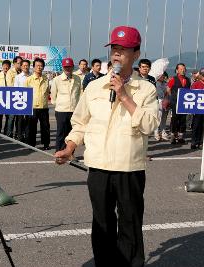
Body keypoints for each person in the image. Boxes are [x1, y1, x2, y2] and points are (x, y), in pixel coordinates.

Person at [55, 26, 158, 267]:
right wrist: (69, 148)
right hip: (98, 166)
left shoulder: (146, 89)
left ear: (136, 53)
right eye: (114, 49)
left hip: (129, 167)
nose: (116, 54)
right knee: (101, 223)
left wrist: (124, 96)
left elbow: (150, 125)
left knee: (130, 222)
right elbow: (80, 123)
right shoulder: (93, 87)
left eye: (123, 50)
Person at [50, 57, 82, 153]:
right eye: (66, 67)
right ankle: (58, 151)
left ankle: (70, 153)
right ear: (63, 67)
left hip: (73, 110)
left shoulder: (77, 79)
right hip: (61, 110)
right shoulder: (57, 79)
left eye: (69, 67)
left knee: (71, 134)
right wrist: (59, 104)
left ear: (73, 67)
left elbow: (79, 94)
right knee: (60, 133)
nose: (67, 69)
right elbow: (53, 95)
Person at [24, 58, 50, 150]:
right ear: (34, 67)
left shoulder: (46, 79)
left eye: (41, 66)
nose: (39, 67)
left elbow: (48, 92)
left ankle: (46, 144)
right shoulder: (28, 80)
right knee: (31, 127)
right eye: (37, 66)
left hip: (44, 107)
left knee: (45, 127)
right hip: (32, 107)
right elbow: (25, 94)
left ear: (43, 67)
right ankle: (31, 144)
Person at [166, 63, 191, 144]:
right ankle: (173, 136)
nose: (183, 70)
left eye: (184, 69)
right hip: (175, 102)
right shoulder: (173, 79)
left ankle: (181, 137)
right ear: (177, 70)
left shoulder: (188, 79)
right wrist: (172, 97)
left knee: (183, 120)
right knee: (174, 119)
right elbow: (168, 89)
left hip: (184, 103)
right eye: (180, 69)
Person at [0, 60, 14, 134]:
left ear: (9, 67)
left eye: (7, 66)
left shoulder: (13, 75)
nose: (6, 67)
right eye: (4, 65)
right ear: (2, 66)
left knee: (9, 116)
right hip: (0, 97)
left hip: (10, 98)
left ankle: (7, 132)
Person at [14, 59, 31, 141]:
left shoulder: (32, 76)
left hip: (30, 100)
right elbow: (15, 89)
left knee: (28, 120)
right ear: (21, 67)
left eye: (27, 65)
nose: (25, 67)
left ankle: (27, 136)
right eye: (24, 65)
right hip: (20, 100)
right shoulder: (18, 77)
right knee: (20, 119)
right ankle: (20, 136)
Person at [190, 68, 204, 149]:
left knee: (202, 126)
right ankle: (194, 141)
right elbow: (190, 94)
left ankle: (200, 141)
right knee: (196, 125)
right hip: (197, 108)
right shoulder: (196, 84)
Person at [154, 72, 170, 141]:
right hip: (159, 101)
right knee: (158, 117)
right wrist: (166, 92)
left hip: (165, 101)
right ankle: (156, 133)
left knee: (164, 118)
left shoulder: (165, 83)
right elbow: (160, 94)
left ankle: (163, 132)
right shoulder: (156, 83)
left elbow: (168, 92)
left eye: (163, 75)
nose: (163, 76)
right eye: (161, 75)